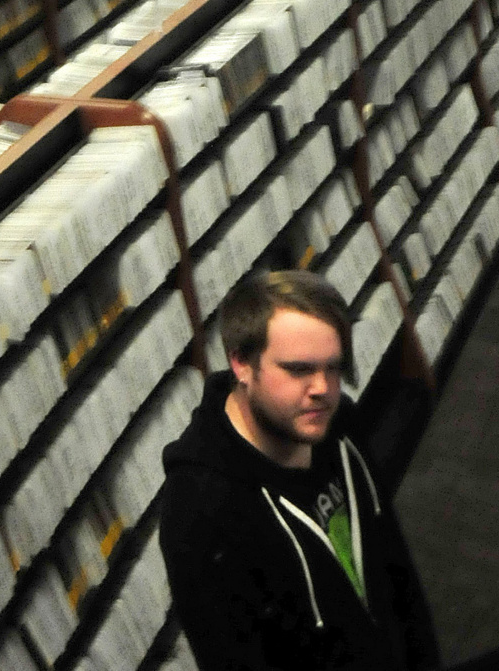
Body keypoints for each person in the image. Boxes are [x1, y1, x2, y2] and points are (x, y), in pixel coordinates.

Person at [159, 269, 440, 671]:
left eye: (333, 367)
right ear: (241, 363)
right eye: (298, 370)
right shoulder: (201, 514)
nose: (323, 389)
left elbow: (395, 569)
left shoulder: (338, 423)